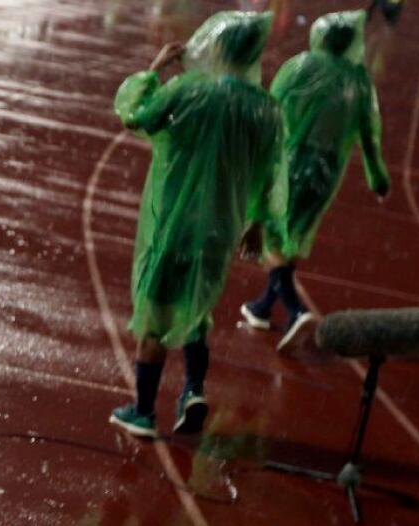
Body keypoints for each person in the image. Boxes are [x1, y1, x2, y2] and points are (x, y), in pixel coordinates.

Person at [110, 11, 282, 439]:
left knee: (155, 310)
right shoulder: (265, 109)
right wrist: (258, 221)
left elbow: (138, 116)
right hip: (220, 228)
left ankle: (144, 410)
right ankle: (192, 390)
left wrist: (154, 70)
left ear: (217, 47)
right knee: (195, 306)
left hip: (174, 221)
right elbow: (270, 171)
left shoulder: (190, 90)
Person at [240, 9, 390, 351]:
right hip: (326, 172)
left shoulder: (300, 67)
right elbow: (370, 134)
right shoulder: (359, 82)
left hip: (293, 162)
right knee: (293, 233)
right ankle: (262, 307)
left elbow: (269, 108)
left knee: (272, 238)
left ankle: (295, 310)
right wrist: (377, 174)